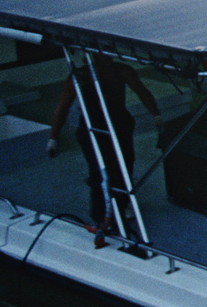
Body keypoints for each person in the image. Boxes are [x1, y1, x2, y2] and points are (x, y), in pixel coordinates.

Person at [47, 58, 160, 230]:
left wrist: (156, 115)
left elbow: (143, 92)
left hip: (119, 124)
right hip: (92, 128)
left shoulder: (122, 71)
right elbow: (63, 107)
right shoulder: (79, 77)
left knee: (124, 164)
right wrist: (53, 138)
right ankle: (101, 215)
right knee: (98, 169)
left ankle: (123, 202)